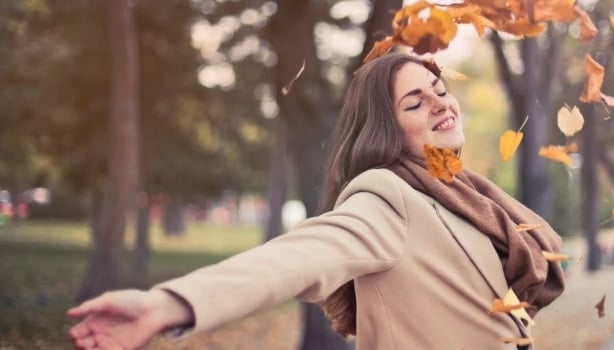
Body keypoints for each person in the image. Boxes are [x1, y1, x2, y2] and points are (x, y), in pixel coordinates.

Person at [68, 53, 565, 350]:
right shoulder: (388, 195)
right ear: (386, 130)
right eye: (414, 102)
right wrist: (168, 304)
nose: (440, 102)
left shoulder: (466, 196)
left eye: (439, 90)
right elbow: (296, 258)